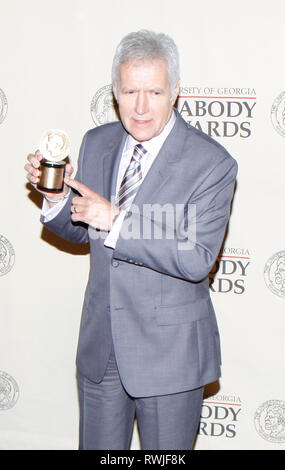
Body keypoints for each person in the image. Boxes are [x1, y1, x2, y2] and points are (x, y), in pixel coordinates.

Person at [25, 29, 238, 450]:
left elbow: (196, 257)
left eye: (154, 92)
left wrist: (116, 219)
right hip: (101, 350)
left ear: (176, 91)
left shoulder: (211, 163)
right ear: (115, 92)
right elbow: (85, 231)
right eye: (129, 91)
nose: (140, 107)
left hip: (170, 357)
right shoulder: (98, 142)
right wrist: (56, 200)